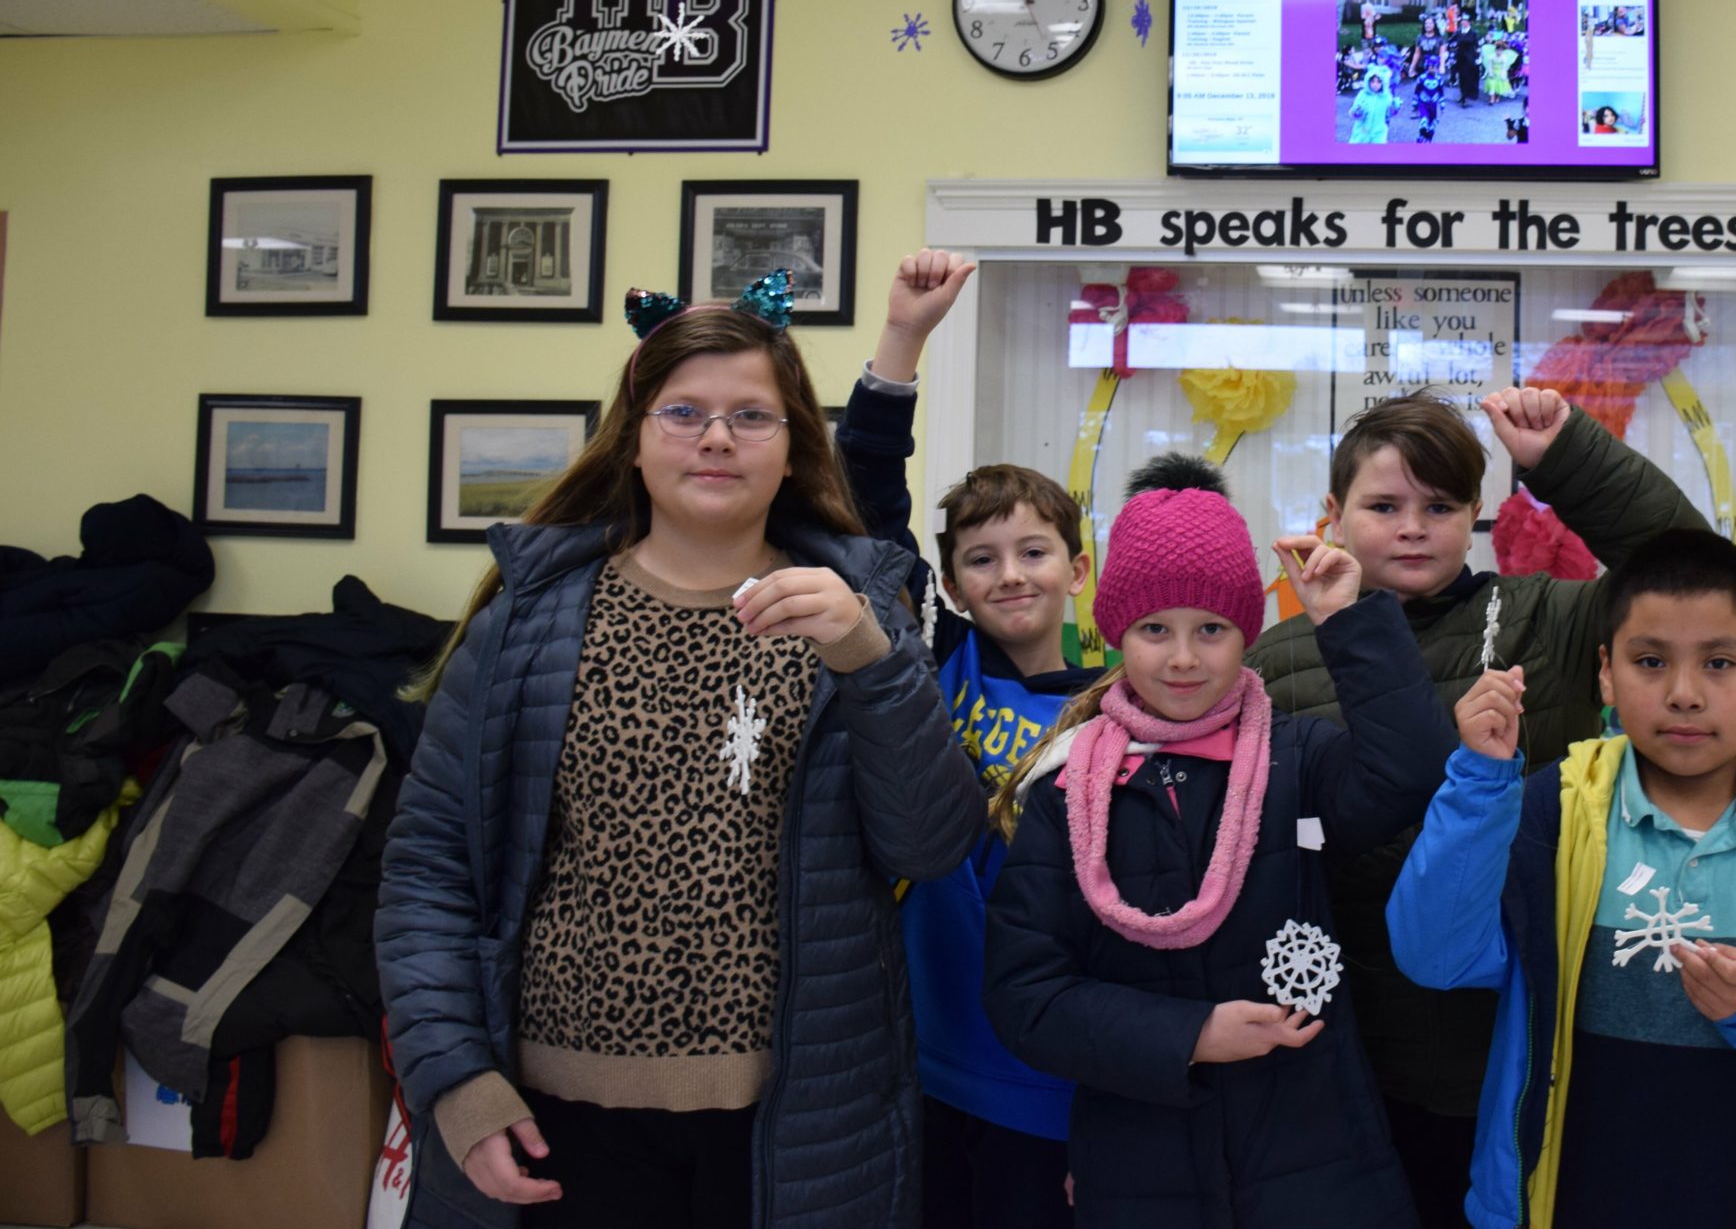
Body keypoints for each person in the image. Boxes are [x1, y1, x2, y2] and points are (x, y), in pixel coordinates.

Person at [377, 273, 984, 1229]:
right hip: (556, 1117)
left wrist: (871, 657)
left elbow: (932, 845)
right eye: (685, 412)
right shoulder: (529, 623)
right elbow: (429, 870)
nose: (716, 437)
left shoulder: (857, 611)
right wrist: (453, 1078)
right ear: (633, 438)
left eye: (752, 415)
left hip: (792, 1130)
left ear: (793, 450)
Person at [1387, 529, 1736, 1228]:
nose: (1684, 693)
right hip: (1573, 1198)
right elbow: (1435, 955)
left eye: (1719, 662)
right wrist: (1477, 783)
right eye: (1650, 661)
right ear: (1605, 673)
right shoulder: (1555, 808)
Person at [1248, 390, 1704, 1228]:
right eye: (1384, 505)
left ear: (1477, 514)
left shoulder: (1550, 620)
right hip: (1346, 1050)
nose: (1413, 526)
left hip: (1519, 1038)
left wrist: (1566, 458)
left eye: (1440, 505)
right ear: (1333, 515)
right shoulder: (1274, 660)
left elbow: (1691, 575)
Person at [982, 458, 1454, 1229]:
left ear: (1248, 633)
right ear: (1114, 631)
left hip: (1317, 1150)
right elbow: (1023, 994)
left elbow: (1411, 772)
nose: (1182, 658)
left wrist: (1347, 619)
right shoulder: (1067, 786)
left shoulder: (1296, 757)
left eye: (1212, 628)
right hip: (1141, 1157)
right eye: (1153, 629)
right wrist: (1189, 1036)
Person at [834, 250, 1095, 1229]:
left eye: (1034, 552)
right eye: (980, 559)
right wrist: (903, 341)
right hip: (920, 1048)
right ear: (948, 584)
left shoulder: (1115, 703)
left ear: (1076, 568)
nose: (1009, 575)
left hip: (1045, 1072)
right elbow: (868, 501)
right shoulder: (934, 659)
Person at [1350, 65, 1396, 144]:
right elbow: (1353, 111)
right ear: (1368, 81)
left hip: (1378, 131)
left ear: (1383, 83)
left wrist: (1394, 107)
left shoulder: (1386, 96)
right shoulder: (1363, 94)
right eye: (1373, 81)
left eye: (1378, 82)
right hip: (1362, 129)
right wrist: (1357, 111)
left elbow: (1388, 114)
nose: (1375, 84)